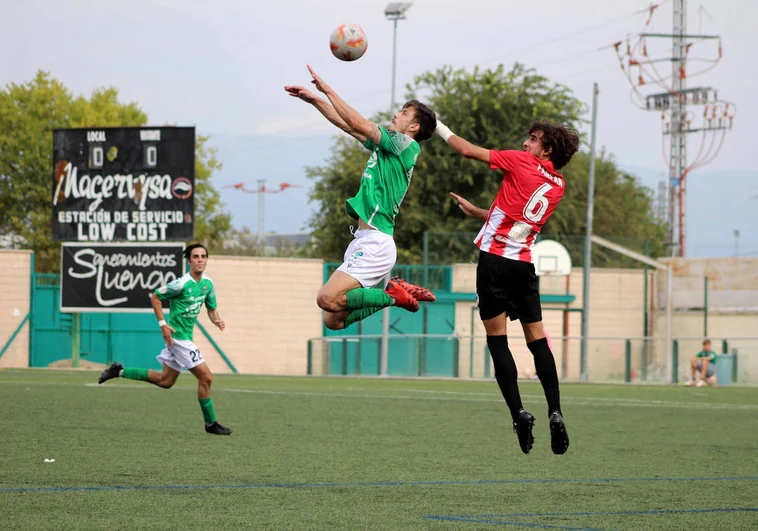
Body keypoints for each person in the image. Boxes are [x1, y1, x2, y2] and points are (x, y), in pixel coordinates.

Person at [437, 119, 580, 455]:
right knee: (538, 340)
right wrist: (481, 213)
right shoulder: (558, 185)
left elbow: (464, 149)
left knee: (498, 342)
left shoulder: (521, 161)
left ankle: (518, 413)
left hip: (495, 264)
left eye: (533, 140)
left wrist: (437, 124)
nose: (526, 143)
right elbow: (518, 219)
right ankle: (555, 411)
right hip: (524, 266)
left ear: (547, 150)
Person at [285, 66, 437, 330]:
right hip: (364, 240)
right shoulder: (389, 146)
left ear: (413, 126)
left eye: (403, 112)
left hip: (377, 243)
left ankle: (392, 294)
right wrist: (316, 101)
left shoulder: (405, 145)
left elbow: (358, 122)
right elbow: (349, 127)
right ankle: (393, 295)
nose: (395, 114)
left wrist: (328, 89)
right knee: (333, 318)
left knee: (326, 297)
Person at [97, 243, 232, 436]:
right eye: (196, 257)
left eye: (203, 256)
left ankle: (119, 371)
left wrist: (216, 320)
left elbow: (211, 309)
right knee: (206, 378)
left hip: (183, 338)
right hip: (179, 339)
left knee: (165, 381)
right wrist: (162, 324)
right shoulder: (181, 284)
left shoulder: (208, 284)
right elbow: (155, 297)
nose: (200, 260)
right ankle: (211, 424)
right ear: (189, 261)